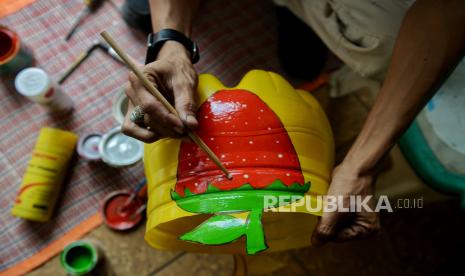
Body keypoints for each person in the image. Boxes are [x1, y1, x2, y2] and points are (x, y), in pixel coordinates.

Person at [121, 0, 465, 245]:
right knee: (145, 13)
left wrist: (360, 166)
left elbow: (449, 11)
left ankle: (306, 21)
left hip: (388, 16)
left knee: (331, 55)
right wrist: (169, 41)